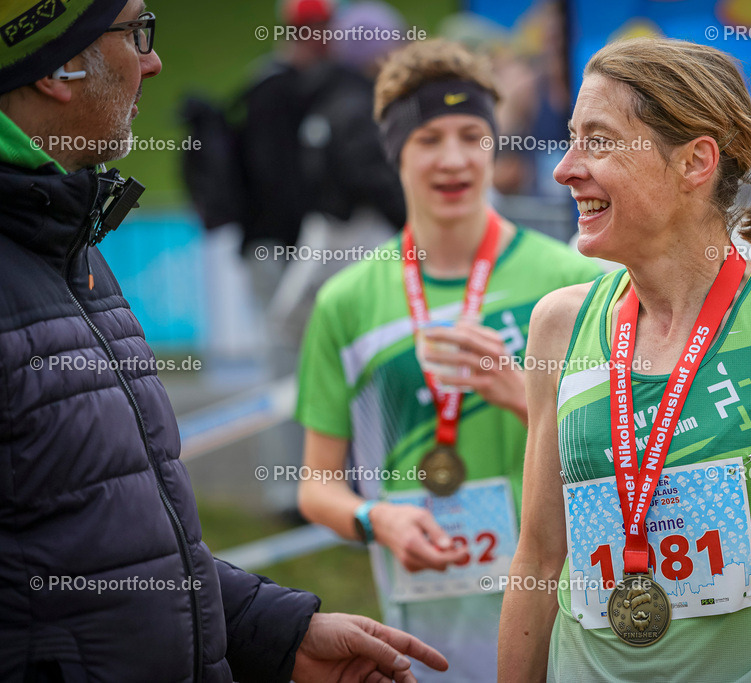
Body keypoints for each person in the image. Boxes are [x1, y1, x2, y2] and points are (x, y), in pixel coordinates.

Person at [0, 2, 447, 680]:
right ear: (59, 65)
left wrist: (274, 628)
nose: (154, 61)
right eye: (137, 32)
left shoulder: (69, 241)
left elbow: (111, 539)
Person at [499, 37, 751, 681]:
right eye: (570, 138)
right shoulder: (559, 325)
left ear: (695, 161)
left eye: (597, 140)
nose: (564, 168)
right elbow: (538, 561)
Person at [295, 39, 603, 681]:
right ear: (395, 152)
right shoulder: (346, 302)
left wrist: (522, 393)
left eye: (472, 135)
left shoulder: (576, 280)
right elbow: (316, 486)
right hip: (425, 617)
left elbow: (624, 452)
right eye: (429, 138)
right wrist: (372, 517)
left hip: (569, 597)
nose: (455, 159)